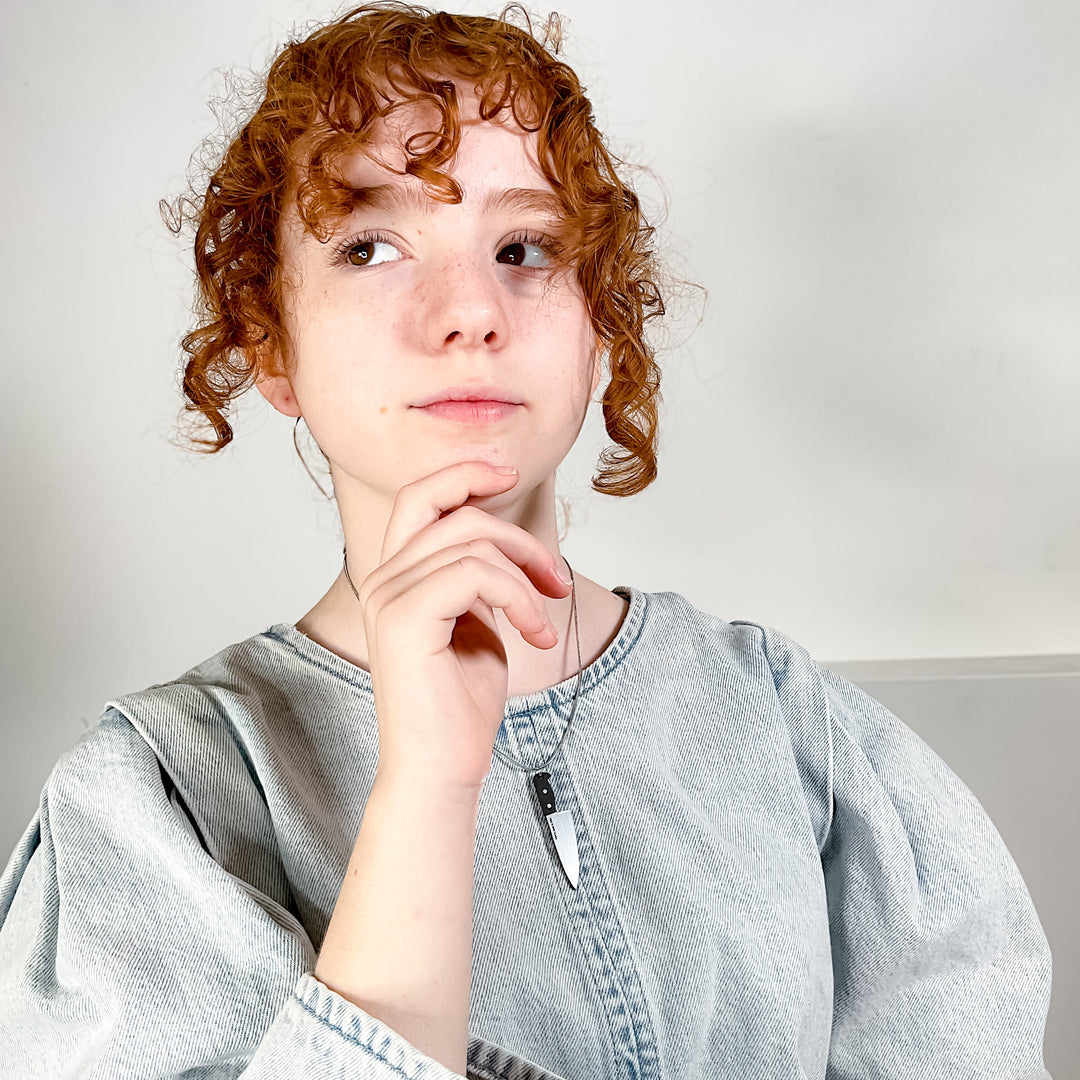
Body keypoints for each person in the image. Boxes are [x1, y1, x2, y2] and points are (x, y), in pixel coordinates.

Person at [0, 3, 1054, 1078]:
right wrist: (425, 784)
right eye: (369, 245)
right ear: (270, 345)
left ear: (599, 323)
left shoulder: (785, 723)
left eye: (525, 247)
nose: (471, 311)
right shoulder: (157, 801)